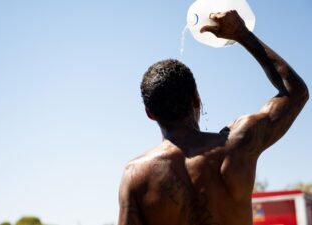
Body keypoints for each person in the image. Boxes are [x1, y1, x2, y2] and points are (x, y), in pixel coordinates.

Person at [117, 10, 309, 225]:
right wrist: (242, 34)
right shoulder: (236, 145)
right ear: (196, 99)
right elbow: (296, 93)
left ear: (149, 114)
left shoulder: (135, 176)